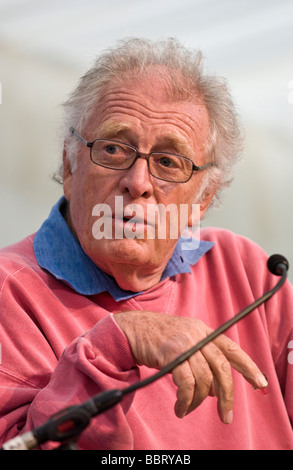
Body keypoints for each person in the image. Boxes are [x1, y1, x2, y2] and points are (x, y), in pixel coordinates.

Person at [0, 37, 292, 451]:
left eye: (169, 162)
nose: (137, 183)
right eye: (115, 149)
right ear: (69, 165)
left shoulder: (246, 270)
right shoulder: (9, 292)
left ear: (202, 200)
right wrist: (118, 339)